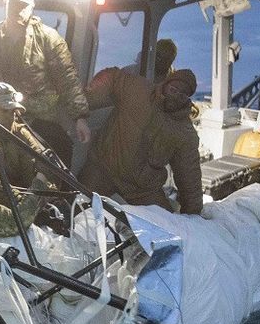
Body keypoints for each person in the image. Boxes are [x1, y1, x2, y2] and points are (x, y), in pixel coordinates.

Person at [0, 0, 90, 166]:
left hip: (39, 119)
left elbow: (67, 78)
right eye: (14, 3)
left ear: (32, 5)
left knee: (61, 149)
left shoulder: (48, 39)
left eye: (24, 4)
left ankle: (58, 194)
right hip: (1, 119)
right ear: (5, 3)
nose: (18, 9)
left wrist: (80, 117)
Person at [80, 67, 204, 214]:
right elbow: (112, 76)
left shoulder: (184, 131)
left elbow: (189, 175)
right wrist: (88, 99)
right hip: (103, 168)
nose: (176, 96)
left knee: (166, 226)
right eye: (173, 89)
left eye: (183, 95)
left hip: (141, 188)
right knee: (74, 205)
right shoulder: (138, 89)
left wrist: (193, 212)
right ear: (165, 85)